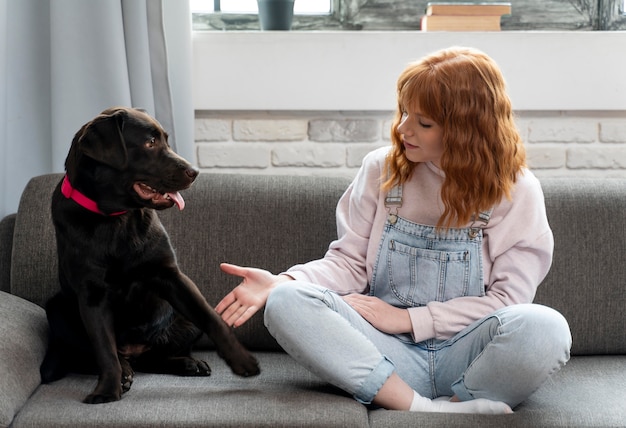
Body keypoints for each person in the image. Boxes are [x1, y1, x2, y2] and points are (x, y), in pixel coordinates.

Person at [216, 46, 572, 414]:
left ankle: (460, 400)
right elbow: (349, 264)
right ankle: (423, 408)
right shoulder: (381, 170)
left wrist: (408, 319)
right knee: (285, 302)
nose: (403, 129)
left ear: (467, 129)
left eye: (424, 122)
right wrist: (282, 282)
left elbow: (509, 301)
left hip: (468, 355)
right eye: (404, 112)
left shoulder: (516, 190)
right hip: (384, 353)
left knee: (547, 327)